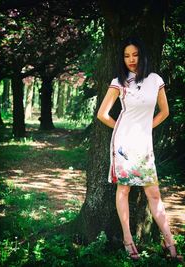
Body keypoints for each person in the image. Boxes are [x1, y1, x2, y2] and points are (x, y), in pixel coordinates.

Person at [97, 37, 183, 261]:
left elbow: (164, 112)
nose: (131, 60)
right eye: (126, 56)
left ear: (142, 55)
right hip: (124, 144)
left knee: (153, 193)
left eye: (134, 55)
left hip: (144, 143)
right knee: (123, 190)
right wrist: (123, 129)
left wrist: (146, 128)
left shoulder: (155, 80)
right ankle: (128, 240)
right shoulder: (119, 81)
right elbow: (102, 114)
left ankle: (170, 242)